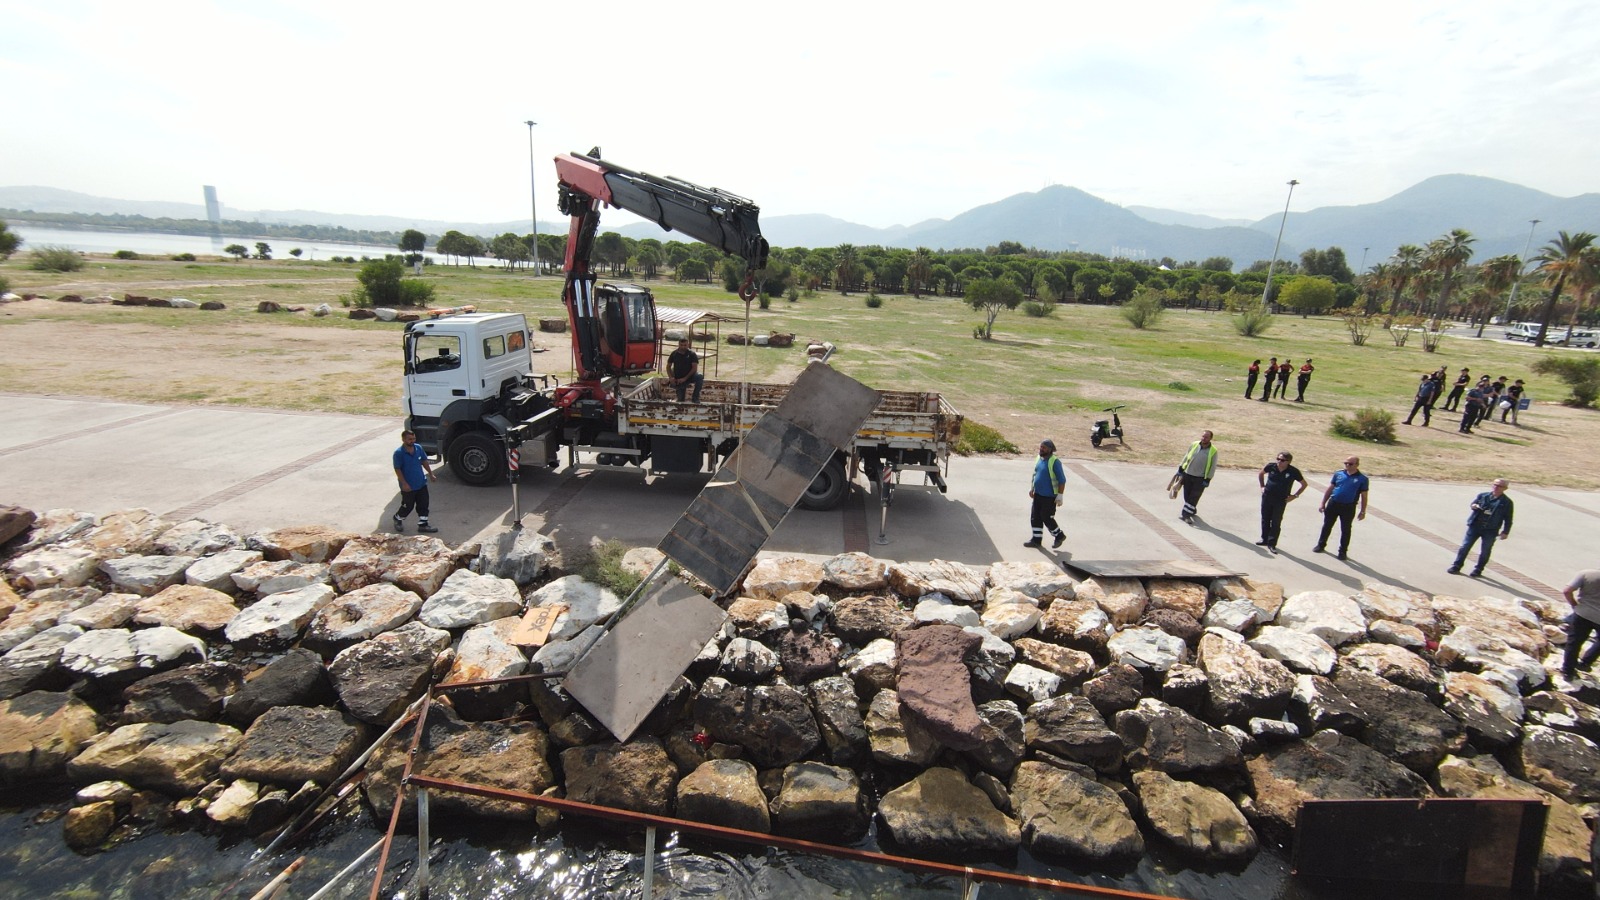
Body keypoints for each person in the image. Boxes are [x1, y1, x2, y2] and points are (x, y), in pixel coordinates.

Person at [1448, 478, 1513, 576]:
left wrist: (1505, 532)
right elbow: (1473, 503)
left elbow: (1508, 518)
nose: (1496, 487)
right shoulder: (1483, 496)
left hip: (1491, 529)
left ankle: (1478, 569)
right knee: (1465, 546)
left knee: (1485, 550)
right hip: (1475, 526)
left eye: (1499, 486)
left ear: (1505, 488)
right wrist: (1474, 506)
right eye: (1495, 485)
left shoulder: (1507, 502)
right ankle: (1457, 565)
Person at [1314, 456, 1368, 560]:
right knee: (1327, 525)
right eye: (1346, 463)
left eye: (1350, 464)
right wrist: (1323, 503)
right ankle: (1321, 545)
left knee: (1346, 529)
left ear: (1357, 465)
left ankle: (1342, 551)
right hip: (1333, 504)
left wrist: (1363, 511)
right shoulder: (1339, 474)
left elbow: (1364, 496)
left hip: (1348, 507)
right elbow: (1330, 489)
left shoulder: (1362, 479)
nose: (1347, 465)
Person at [1257, 450, 1307, 554]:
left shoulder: (1293, 471)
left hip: (1280, 500)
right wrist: (1262, 486)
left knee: (1276, 521)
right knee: (1265, 518)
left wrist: (1294, 496)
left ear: (1288, 461)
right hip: (1267, 497)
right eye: (1278, 459)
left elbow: (1304, 484)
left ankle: (1272, 543)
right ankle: (1264, 539)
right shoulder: (1271, 466)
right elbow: (1261, 473)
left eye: (1282, 460)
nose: (1279, 462)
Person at [392, 430, 439, 533]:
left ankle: (423, 525)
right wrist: (404, 483)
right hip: (408, 486)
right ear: (403, 439)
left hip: (421, 483)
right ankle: (398, 518)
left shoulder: (418, 448)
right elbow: (397, 469)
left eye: (413, 439)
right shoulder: (399, 453)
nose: (412, 441)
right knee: (408, 506)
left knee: (423, 504)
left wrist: (430, 474)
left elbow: (424, 461)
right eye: (409, 439)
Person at [1024, 439, 1067, 549]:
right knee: (1035, 517)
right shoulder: (1039, 458)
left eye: (1044, 448)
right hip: (1038, 494)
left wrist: (1060, 495)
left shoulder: (1054, 462)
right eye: (1041, 447)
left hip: (1049, 497)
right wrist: (1032, 488)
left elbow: (1062, 480)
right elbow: (1035, 474)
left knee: (1046, 517)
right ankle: (1036, 540)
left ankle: (1059, 535)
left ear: (1050, 449)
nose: (1041, 449)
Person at [1560, 567, 1600, 678]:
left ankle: (1568, 672)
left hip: (1582, 614)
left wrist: (1574, 604)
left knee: (1574, 643)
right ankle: (1585, 663)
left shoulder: (1586, 574)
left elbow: (1567, 591)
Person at [1175, 430, 1218, 524]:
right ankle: (1192, 509)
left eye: (1206, 437)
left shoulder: (1213, 451)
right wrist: (1181, 468)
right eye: (1202, 436)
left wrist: (1208, 479)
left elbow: (1212, 466)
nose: (1203, 438)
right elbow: (1187, 456)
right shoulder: (1194, 444)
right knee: (1187, 495)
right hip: (1188, 475)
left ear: (1210, 438)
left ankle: (1186, 515)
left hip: (1200, 478)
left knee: (1194, 497)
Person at [667, 338, 705, 403]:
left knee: (699, 376)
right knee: (681, 400)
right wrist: (671, 377)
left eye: (685, 345)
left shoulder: (692, 354)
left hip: (690, 376)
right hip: (679, 378)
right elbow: (668, 366)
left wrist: (685, 378)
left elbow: (694, 368)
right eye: (681, 345)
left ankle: (695, 397)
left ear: (688, 345)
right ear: (679, 345)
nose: (683, 347)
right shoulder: (674, 354)